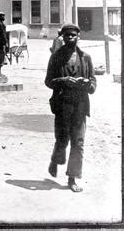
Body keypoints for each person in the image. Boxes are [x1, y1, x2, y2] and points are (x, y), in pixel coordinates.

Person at [45, 23, 97, 193]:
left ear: (78, 37)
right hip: (62, 104)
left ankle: (72, 177)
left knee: (78, 142)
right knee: (62, 139)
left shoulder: (86, 57)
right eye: (67, 36)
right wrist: (63, 81)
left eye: (73, 35)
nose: (70, 38)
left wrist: (88, 84)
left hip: (80, 105)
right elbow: (48, 81)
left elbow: (93, 84)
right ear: (62, 37)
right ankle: (55, 159)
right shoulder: (56, 57)